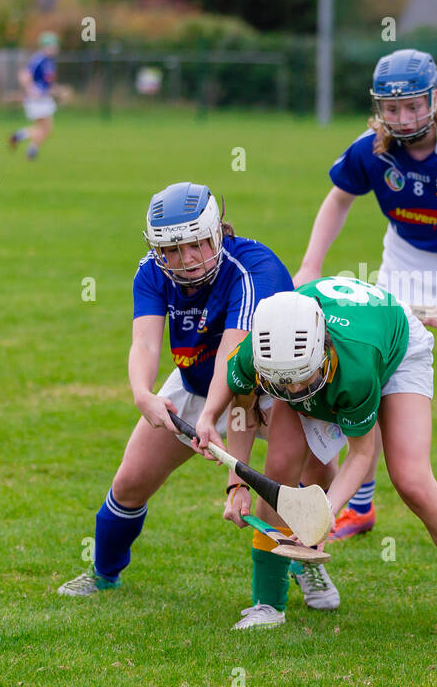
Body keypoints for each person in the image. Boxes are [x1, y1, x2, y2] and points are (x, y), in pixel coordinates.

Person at [57, 183, 339, 614]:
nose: (185, 260)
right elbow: (146, 344)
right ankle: (103, 571)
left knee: (314, 469)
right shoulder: (151, 272)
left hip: (272, 387)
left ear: (215, 233)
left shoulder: (252, 267)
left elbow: (234, 355)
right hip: (193, 385)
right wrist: (142, 394)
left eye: (194, 245)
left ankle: (306, 559)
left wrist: (210, 417)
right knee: (130, 482)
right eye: (171, 250)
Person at [294, 48, 437, 556]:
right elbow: (338, 199)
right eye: (391, 108)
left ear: (435, 99)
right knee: (369, 387)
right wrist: (311, 264)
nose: (402, 118)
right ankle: (360, 506)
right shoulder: (371, 151)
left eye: (412, 106)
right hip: (404, 264)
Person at [205, 281, 437, 637]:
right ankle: (267, 605)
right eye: (283, 386)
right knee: (278, 468)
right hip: (319, 355)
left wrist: (323, 514)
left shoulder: (356, 367)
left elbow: (361, 454)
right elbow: (240, 398)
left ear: (322, 349)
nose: (295, 394)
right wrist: (232, 475)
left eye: (302, 381)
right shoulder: (267, 350)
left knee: (412, 481)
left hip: (393, 349)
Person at [10, 31, 61, 161]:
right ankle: (28, 147)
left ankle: (25, 143)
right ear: (45, 46)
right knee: (46, 128)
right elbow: (24, 75)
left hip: (44, 98)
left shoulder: (50, 61)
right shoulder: (39, 59)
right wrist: (31, 90)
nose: (55, 48)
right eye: (52, 46)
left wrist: (57, 90)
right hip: (37, 100)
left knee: (45, 129)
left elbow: (47, 82)